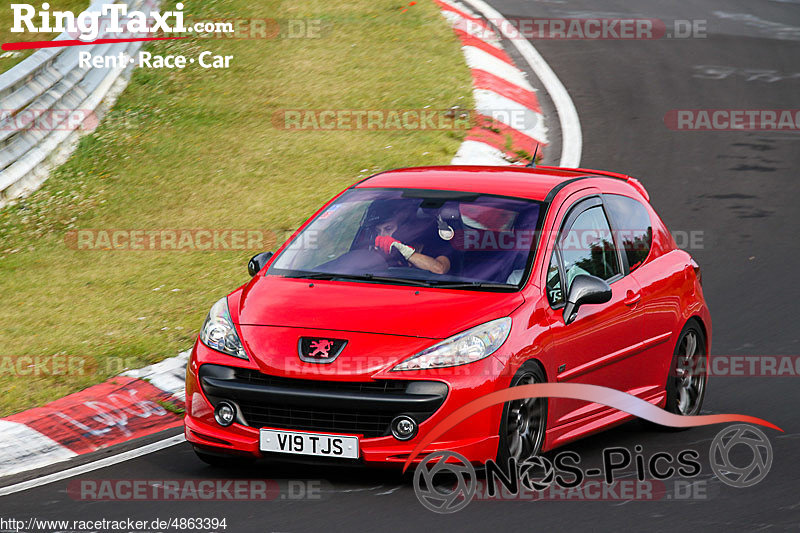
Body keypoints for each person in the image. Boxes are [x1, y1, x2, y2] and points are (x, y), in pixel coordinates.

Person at [372, 212, 451, 275]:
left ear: (403, 228)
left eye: (388, 229)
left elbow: (440, 269)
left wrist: (404, 251)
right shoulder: (383, 252)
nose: (382, 235)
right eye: (378, 231)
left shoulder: (434, 245)